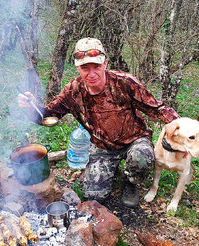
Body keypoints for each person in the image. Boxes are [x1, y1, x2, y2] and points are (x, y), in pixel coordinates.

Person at [18, 37, 180, 208]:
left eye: (96, 66)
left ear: (105, 64)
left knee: (141, 159)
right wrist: (31, 107)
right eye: (85, 68)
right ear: (77, 67)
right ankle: (113, 168)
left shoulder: (124, 82)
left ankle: (131, 182)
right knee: (93, 195)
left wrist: (183, 126)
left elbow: (157, 108)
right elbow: (48, 116)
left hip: (134, 139)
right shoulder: (73, 91)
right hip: (103, 146)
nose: (92, 73)